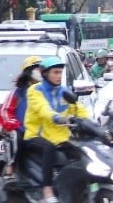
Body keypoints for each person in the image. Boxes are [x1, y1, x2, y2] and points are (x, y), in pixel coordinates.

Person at [23, 56, 89, 203]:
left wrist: (90, 123)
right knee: (49, 148)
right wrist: (58, 118)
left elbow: (79, 109)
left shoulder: (64, 92)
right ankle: (47, 189)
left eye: (60, 73)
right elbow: (43, 109)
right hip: (37, 136)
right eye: (55, 72)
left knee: (83, 153)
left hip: (61, 138)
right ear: (45, 73)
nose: (59, 76)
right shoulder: (35, 90)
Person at [0, 55, 43, 178]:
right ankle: (10, 170)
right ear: (28, 71)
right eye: (37, 68)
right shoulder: (18, 91)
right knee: (15, 136)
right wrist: (14, 125)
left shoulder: (47, 90)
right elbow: (6, 111)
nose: (40, 72)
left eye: (42, 69)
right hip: (20, 129)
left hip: (41, 131)